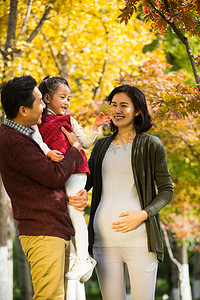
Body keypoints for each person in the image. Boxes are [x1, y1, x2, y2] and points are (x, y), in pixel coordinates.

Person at [0, 75, 88, 300]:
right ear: (23, 110)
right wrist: (75, 149)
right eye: (40, 102)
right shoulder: (12, 141)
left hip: (55, 228)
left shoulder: (28, 135)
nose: (44, 107)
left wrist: (79, 194)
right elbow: (53, 175)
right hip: (42, 231)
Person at [85, 84, 174, 300]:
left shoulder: (151, 144)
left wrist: (142, 214)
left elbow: (166, 190)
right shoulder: (101, 146)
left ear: (137, 111)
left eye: (124, 105)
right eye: (113, 105)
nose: (117, 110)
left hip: (140, 241)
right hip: (103, 242)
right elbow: (85, 183)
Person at [33, 76, 111, 282]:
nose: (67, 102)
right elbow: (37, 141)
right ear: (47, 98)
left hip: (76, 169)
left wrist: (96, 126)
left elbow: (84, 142)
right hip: (56, 169)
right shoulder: (37, 121)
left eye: (69, 98)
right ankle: (79, 257)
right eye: (62, 97)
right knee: (64, 212)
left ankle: (84, 257)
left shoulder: (70, 120)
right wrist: (48, 152)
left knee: (75, 212)